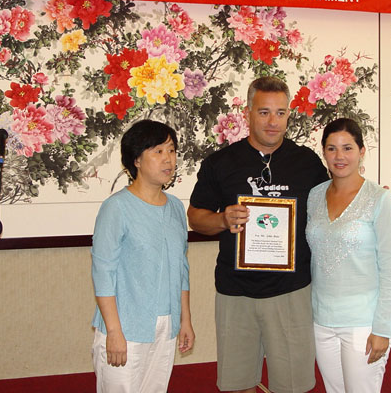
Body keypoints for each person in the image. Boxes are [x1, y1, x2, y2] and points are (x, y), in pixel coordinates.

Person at [188, 76, 330, 393]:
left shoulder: (307, 163)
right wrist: (222, 219)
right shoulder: (220, 163)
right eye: (264, 112)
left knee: (293, 386)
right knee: (238, 385)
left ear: (289, 114)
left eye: (280, 113)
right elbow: (195, 217)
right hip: (235, 292)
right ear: (248, 113)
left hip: (291, 291)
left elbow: (337, 202)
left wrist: (378, 200)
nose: (272, 122)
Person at [91, 119, 194, 393]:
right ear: (136, 159)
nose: (168, 159)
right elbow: (103, 272)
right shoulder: (116, 208)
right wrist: (114, 331)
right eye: (158, 151)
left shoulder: (175, 207)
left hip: (166, 326)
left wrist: (185, 320)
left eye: (171, 150)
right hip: (126, 327)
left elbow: (181, 269)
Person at [306, 118, 391, 393]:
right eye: (332, 148)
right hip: (321, 321)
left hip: (363, 323)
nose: (339, 156)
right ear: (324, 153)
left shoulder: (380, 199)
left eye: (347, 148)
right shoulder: (314, 196)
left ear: (361, 151)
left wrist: (383, 329)